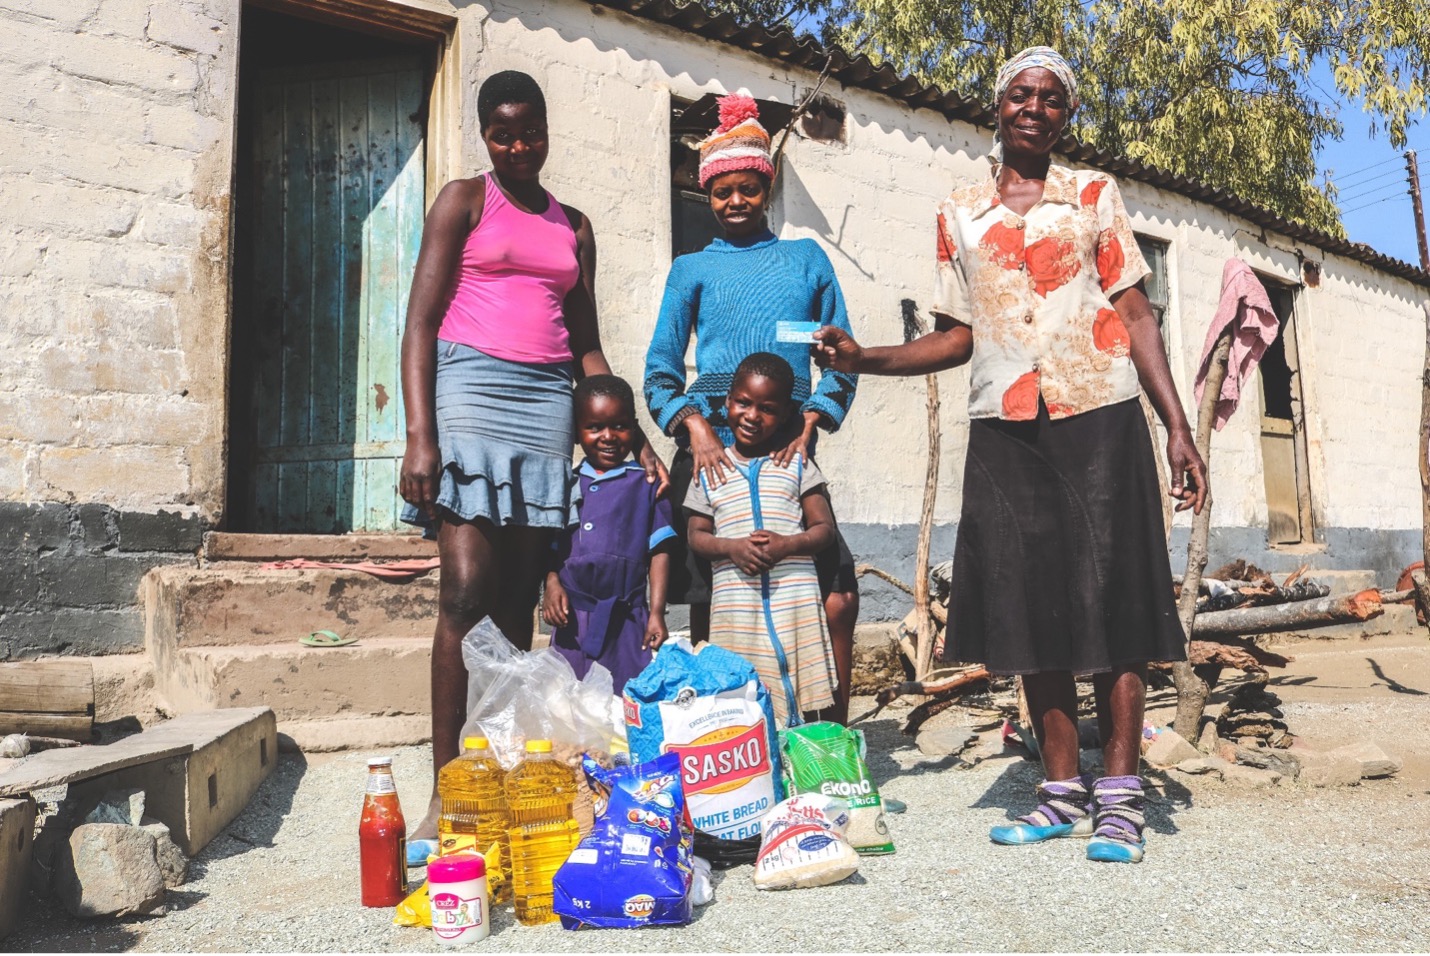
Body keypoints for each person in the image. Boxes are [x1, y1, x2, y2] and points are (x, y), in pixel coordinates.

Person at [814, 47, 1207, 864]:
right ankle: (1059, 793)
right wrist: (866, 359)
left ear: (1066, 116)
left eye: (1051, 98)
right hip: (1006, 430)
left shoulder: (1095, 196)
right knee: (1034, 611)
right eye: (1021, 94)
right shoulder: (960, 210)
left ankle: (1122, 798)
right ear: (998, 107)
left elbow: (1135, 317)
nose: (1035, 106)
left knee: (1113, 608)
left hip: (1098, 416)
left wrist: (1176, 424)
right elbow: (957, 335)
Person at [397, 71, 664, 854]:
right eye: (503, 134)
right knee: (465, 591)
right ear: (485, 136)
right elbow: (418, 323)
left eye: (531, 132)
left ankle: (508, 775)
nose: (519, 147)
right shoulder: (462, 201)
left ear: (547, 130)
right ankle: (446, 795)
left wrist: (637, 433)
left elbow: (586, 345)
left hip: (549, 404)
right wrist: (421, 433)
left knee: (516, 604)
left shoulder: (573, 226)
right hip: (471, 395)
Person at [643, 92, 861, 723]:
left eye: (748, 188)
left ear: (766, 187)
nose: (734, 201)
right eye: (720, 192)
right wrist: (694, 431)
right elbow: (660, 367)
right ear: (707, 196)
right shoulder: (691, 270)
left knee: (837, 590)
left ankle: (828, 731)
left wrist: (814, 419)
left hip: (790, 449)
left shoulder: (805, 260)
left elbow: (837, 352)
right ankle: (729, 734)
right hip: (714, 456)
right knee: (716, 595)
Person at [684, 353, 839, 727]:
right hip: (737, 606)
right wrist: (732, 548)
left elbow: (824, 529)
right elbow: (696, 536)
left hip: (794, 603)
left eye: (767, 409)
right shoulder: (709, 471)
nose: (752, 416)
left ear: (786, 415)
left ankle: (811, 762)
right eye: (743, 403)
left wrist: (787, 545)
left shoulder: (796, 463)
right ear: (727, 403)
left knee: (805, 698)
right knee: (743, 700)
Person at [543, 374, 676, 695]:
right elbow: (548, 548)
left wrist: (656, 612)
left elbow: (660, 551)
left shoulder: (646, 484)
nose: (608, 436)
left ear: (634, 428)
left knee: (625, 703)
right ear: (576, 432)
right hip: (572, 621)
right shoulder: (565, 484)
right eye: (594, 427)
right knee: (568, 705)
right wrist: (550, 584)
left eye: (620, 426)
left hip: (628, 621)